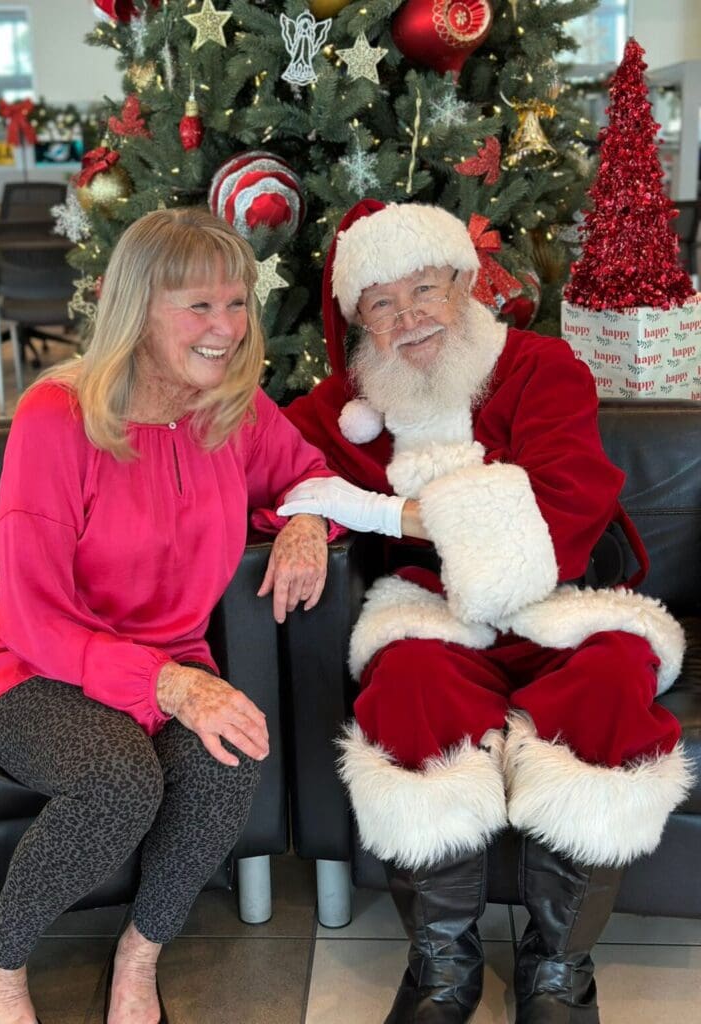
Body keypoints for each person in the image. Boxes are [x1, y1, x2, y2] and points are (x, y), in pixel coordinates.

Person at [276, 199, 694, 1024]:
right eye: (383, 303)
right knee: (407, 687)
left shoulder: (542, 367)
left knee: (612, 677)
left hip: (563, 602)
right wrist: (305, 515)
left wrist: (423, 517)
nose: (410, 318)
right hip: (433, 616)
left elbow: (571, 497)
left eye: (424, 289)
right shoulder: (346, 404)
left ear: (463, 284)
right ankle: (442, 962)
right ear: (359, 320)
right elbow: (272, 467)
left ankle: (557, 963)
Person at [0, 206, 335, 1024]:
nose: (224, 328)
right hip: (22, 657)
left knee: (231, 758)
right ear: (136, 307)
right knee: (121, 780)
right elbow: (37, 614)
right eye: (197, 306)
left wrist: (305, 523)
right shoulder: (60, 416)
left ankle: (141, 953)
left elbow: (307, 474)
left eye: (236, 303)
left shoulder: (231, 405)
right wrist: (171, 688)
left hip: (164, 659)